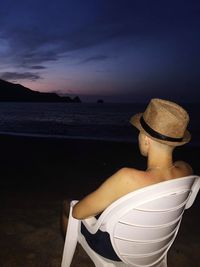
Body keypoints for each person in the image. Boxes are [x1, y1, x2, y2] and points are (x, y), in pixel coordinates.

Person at [61, 98, 193, 260]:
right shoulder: (186, 171)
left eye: (139, 133)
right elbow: (178, 165)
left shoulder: (127, 178)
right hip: (157, 248)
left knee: (68, 206)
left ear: (145, 140)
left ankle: (71, 251)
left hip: (119, 251)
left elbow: (79, 212)